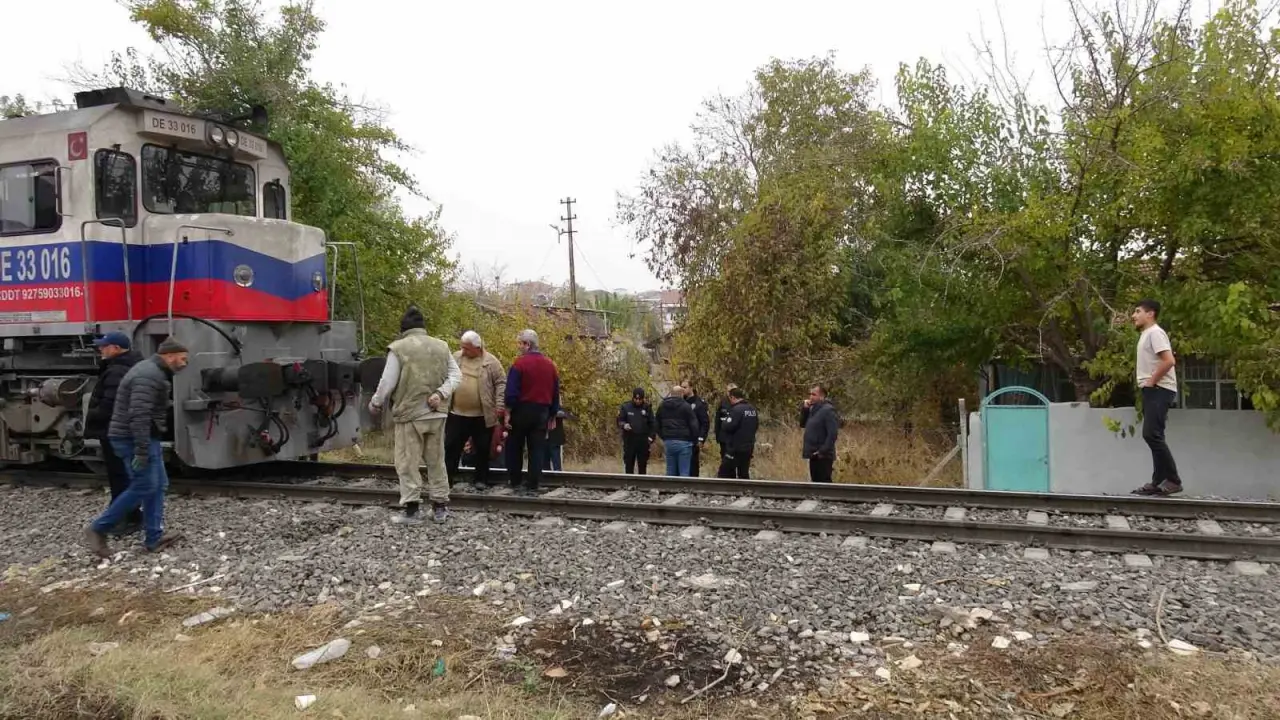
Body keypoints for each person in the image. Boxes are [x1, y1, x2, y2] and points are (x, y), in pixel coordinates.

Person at [82, 336, 189, 557]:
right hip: (133, 438)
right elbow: (139, 415)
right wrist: (141, 450)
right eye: (182, 358)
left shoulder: (154, 372)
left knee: (158, 485)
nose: (184, 363)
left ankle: (154, 538)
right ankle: (98, 528)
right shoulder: (148, 376)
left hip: (144, 436)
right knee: (144, 486)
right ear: (170, 356)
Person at [369, 306, 461, 524]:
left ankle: (412, 511)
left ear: (404, 329)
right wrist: (441, 393)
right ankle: (440, 508)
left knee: (407, 462)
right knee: (437, 461)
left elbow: (387, 382)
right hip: (437, 414)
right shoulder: (441, 346)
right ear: (423, 328)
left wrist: (376, 402)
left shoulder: (399, 348)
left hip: (410, 415)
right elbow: (456, 375)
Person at [84, 331, 143, 535]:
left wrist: (93, 416)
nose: (100, 349)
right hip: (122, 429)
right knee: (126, 474)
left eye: (104, 346)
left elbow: (110, 404)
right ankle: (131, 516)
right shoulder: (127, 366)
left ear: (116, 349)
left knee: (119, 475)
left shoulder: (116, 371)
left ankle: (125, 519)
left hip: (113, 430)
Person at [1131, 299, 1182, 496]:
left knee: (1151, 434)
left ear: (1150, 313)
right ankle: (1158, 480)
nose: (1133, 316)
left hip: (1159, 388)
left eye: (1137, 311)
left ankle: (1173, 480)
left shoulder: (1155, 333)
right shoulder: (1147, 334)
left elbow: (1169, 361)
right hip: (1153, 389)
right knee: (1155, 435)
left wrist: (1152, 381)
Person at [444, 331, 506, 490]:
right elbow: (445, 377)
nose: (463, 351)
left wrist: (499, 406)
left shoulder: (491, 362)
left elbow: (501, 383)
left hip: (482, 415)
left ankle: (481, 479)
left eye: (467, 348)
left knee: (483, 448)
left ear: (478, 348)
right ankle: (448, 478)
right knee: (451, 447)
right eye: (462, 347)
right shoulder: (456, 357)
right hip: (457, 413)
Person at [504, 329, 560, 494]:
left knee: (515, 446)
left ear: (527, 344)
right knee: (537, 449)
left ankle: (515, 481)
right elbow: (555, 391)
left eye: (520, 343)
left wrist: (508, 411)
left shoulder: (519, 364)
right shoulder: (550, 365)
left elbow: (511, 392)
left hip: (521, 410)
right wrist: (553, 413)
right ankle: (533, 483)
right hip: (542, 411)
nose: (519, 347)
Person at [799, 384, 839, 483]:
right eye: (810, 394)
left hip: (823, 456)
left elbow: (832, 434)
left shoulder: (828, 410)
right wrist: (805, 409)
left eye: (814, 394)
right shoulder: (813, 410)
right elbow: (803, 424)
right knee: (816, 484)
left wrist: (822, 451)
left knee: (824, 484)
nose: (810, 397)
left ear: (822, 396)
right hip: (813, 454)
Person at [656, 385, 698, 476]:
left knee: (670, 471)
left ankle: (671, 489)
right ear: (681, 394)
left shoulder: (662, 405)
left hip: (669, 441)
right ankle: (683, 489)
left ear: (671, 394)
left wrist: (664, 436)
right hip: (684, 442)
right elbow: (693, 424)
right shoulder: (686, 406)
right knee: (684, 471)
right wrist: (694, 439)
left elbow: (656, 423)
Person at [717, 387, 759, 479]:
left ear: (732, 397)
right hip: (748, 446)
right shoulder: (752, 409)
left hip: (735, 448)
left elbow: (727, 426)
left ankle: (723, 491)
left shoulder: (736, 410)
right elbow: (756, 426)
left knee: (724, 472)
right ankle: (744, 491)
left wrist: (724, 422)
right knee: (743, 472)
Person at [617, 388, 656, 474]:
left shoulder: (647, 408)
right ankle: (629, 484)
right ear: (633, 398)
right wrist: (624, 425)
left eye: (640, 399)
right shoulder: (626, 407)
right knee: (629, 464)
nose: (638, 401)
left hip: (643, 441)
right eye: (636, 399)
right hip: (629, 440)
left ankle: (642, 484)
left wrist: (651, 438)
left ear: (643, 398)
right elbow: (620, 421)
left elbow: (652, 424)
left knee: (642, 465)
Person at [681, 380, 710, 476]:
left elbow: (705, 423)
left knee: (693, 466)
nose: (683, 389)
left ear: (691, 388)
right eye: (681, 387)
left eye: (685, 387)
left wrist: (701, 438)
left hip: (693, 439)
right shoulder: (680, 402)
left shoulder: (699, 403)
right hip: (682, 438)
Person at [714, 382, 737, 459]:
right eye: (729, 391)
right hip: (724, 437)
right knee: (725, 459)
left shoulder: (741, 403)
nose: (730, 393)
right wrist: (717, 435)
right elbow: (717, 420)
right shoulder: (722, 402)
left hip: (736, 437)